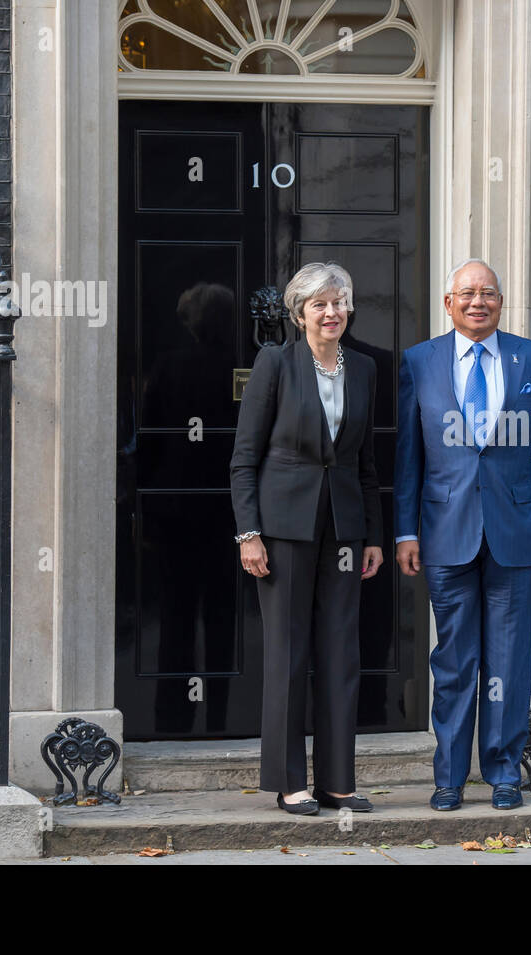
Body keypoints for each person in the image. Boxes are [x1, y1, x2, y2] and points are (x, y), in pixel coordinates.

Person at [394, 258, 531, 811]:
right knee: (454, 661)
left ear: (501, 302)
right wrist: (405, 532)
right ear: (449, 304)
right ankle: (448, 776)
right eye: (466, 293)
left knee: (509, 661)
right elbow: (408, 459)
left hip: (516, 531)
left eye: (488, 293)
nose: (477, 302)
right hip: (445, 534)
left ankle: (503, 774)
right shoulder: (419, 362)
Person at [230, 261, 384, 815]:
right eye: (318, 304)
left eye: (338, 302)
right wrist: (249, 532)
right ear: (299, 314)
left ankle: (338, 780)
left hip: (343, 528)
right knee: (288, 654)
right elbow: (245, 458)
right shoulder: (275, 364)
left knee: (342, 653)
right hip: (282, 529)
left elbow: (365, 462)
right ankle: (289, 780)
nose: (331, 312)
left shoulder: (364, 369)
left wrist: (371, 534)